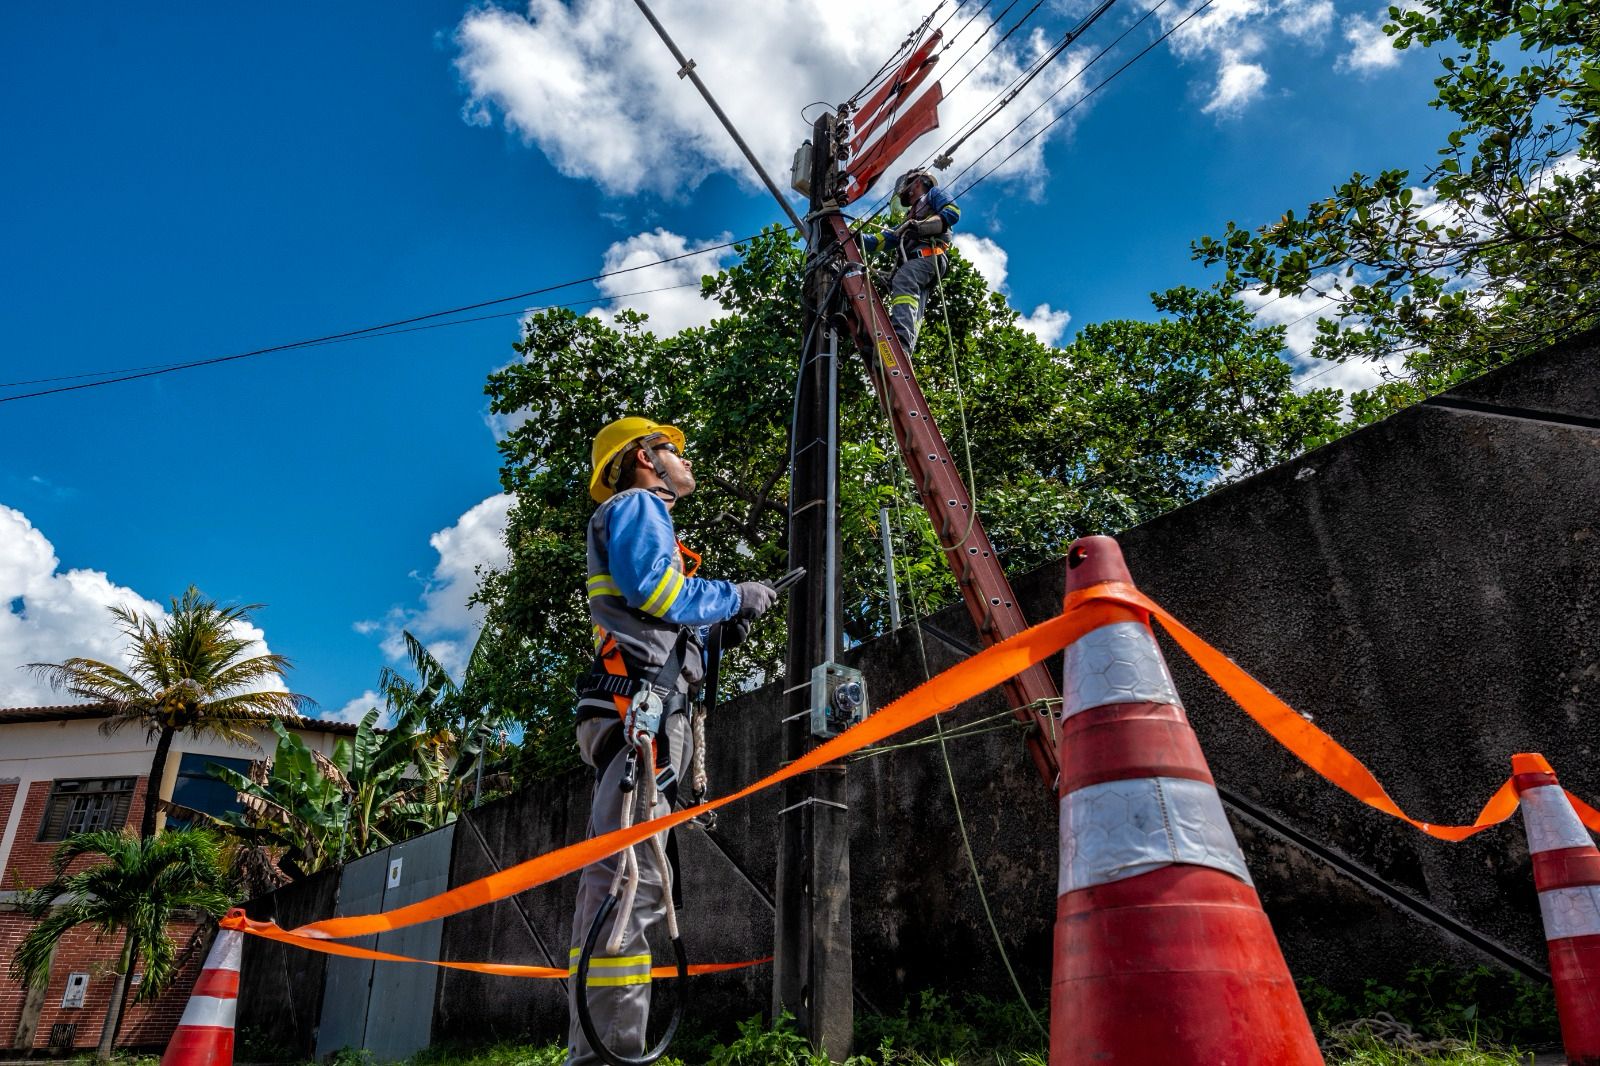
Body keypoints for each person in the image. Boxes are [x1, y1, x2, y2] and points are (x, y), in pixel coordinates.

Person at [565, 415, 778, 1065]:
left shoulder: (642, 517)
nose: (684, 458)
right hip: (642, 721)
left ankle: (604, 1046)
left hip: (648, 716)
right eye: (673, 449)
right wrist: (735, 596)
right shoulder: (636, 506)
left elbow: (655, 622)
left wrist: (716, 633)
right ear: (642, 458)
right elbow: (659, 592)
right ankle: (605, 1054)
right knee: (629, 885)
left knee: (634, 882)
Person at [864, 168, 962, 354]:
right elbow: (884, 239)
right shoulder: (910, 216)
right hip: (921, 264)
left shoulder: (933, 194)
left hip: (929, 255)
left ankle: (899, 342)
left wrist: (923, 227)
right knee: (914, 309)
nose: (902, 189)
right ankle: (902, 349)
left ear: (917, 182)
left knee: (903, 280)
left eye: (905, 183)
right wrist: (853, 237)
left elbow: (952, 212)